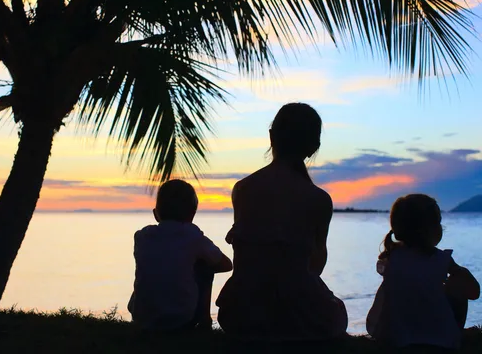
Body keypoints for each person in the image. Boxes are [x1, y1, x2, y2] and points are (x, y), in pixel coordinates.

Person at [216, 102, 348, 340]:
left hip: (239, 313)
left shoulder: (242, 189)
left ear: (271, 136)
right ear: (313, 147)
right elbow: (316, 266)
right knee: (337, 309)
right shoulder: (318, 199)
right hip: (296, 317)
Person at [366, 194, 481, 349]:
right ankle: (456, 334)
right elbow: (474, 292)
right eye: (439, 223)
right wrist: (458, 272)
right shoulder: (441, 259)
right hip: (440, 338)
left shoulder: (391, 258)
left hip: (393, 336)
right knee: (456, 292)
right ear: (429, 230)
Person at [128, 179, 233, 331]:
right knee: (205, 267)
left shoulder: (142, 236)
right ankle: (204, 322)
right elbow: (226, 265)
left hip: (141, 316)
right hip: (181, 318)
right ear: (192, 215)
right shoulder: (193, 236)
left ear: (156, 214)